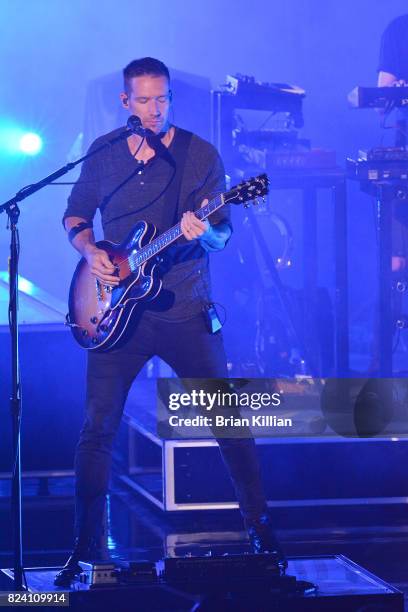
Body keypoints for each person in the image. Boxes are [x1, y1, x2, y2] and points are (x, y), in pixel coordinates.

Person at [54, 57, 285, 586]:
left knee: (228, 421)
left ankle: (262, 533)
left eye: (163, 100)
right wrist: (89, 251)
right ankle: (84, 548)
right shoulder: (106, 151)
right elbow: (75, 211)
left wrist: (200, 230)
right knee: (96, 430)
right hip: (114, 311)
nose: (155, 110)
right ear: (125, 103)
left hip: (185, 309)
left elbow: (224, 237)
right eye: (145, 101)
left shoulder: (200, 154)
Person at [378, 14, 408, 274]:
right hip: (403, 162)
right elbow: (380, 101)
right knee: (397, 262)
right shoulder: (398, 30)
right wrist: (397, 91)